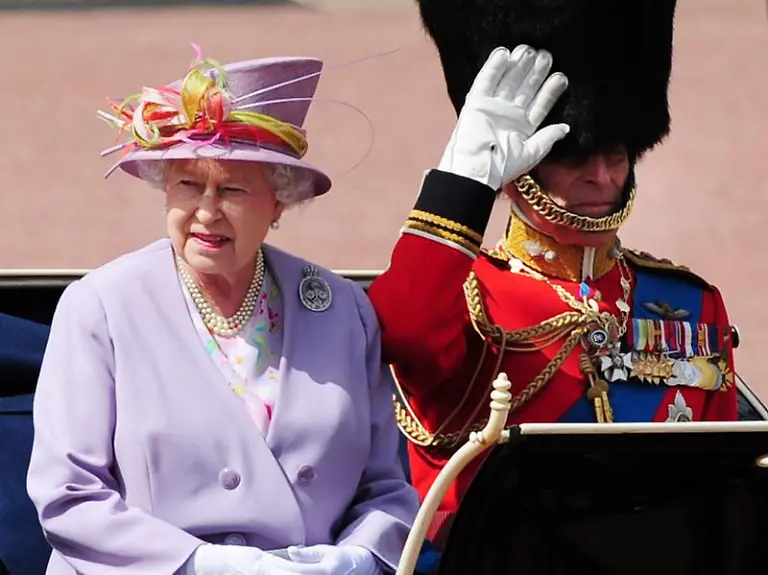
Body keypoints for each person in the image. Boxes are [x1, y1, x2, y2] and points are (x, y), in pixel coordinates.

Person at [26, 48, 419, 575]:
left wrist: (355, 559)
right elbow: (68, 496)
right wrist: (204, 564)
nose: (206, 212)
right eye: (188, 185)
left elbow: (386, 489)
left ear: (279, 202)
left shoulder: (342, 309)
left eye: (232, 189)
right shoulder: (101, 306)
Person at [367, 0, 740, 547]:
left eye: (615, 152)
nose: (601, 176)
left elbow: (722, 493)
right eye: (570, 155)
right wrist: (465, 181)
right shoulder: (467, 297)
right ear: (520, 163)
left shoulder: (688, 305)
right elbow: (402, 332)